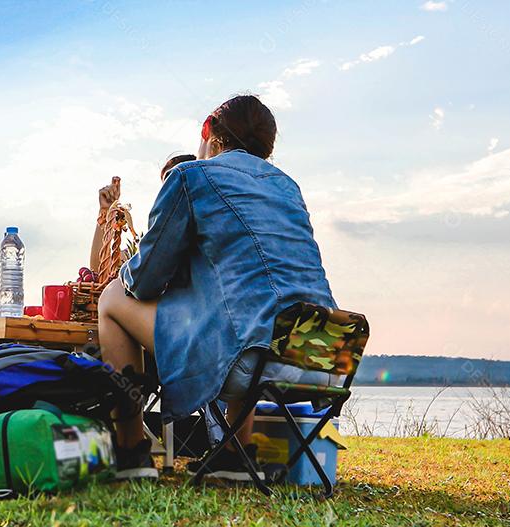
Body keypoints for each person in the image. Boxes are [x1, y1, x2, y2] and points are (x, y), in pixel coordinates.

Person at [98, 95, 337, 481]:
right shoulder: (288, 187)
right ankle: (232, 454)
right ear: (267, 147)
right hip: (322, 354)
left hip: (251, 358)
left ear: (208, 129)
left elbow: (143, 282)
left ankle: (131, 451)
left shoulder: (190, 177)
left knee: (112, 297)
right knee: (253, 311)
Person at [88, 153, 196, 273]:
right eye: (165, 184)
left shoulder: (205, 238)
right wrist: (106, 211)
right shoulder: (151, 246)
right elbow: (99, 269)